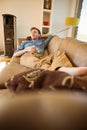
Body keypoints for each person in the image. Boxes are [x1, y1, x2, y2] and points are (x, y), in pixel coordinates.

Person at [13, 27, 87, 76]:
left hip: (42, 57)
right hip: (28, 56)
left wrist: (44, 36)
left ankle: (61, 70)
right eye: (31, 32)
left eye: (35, 32)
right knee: (41, 64)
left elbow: (51, 36)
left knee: (59, 52)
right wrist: (27, 49)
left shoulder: (42, 42)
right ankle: (64, 71)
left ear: (39, 35)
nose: (32, 33)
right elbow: (15, 54)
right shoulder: (24, 42)